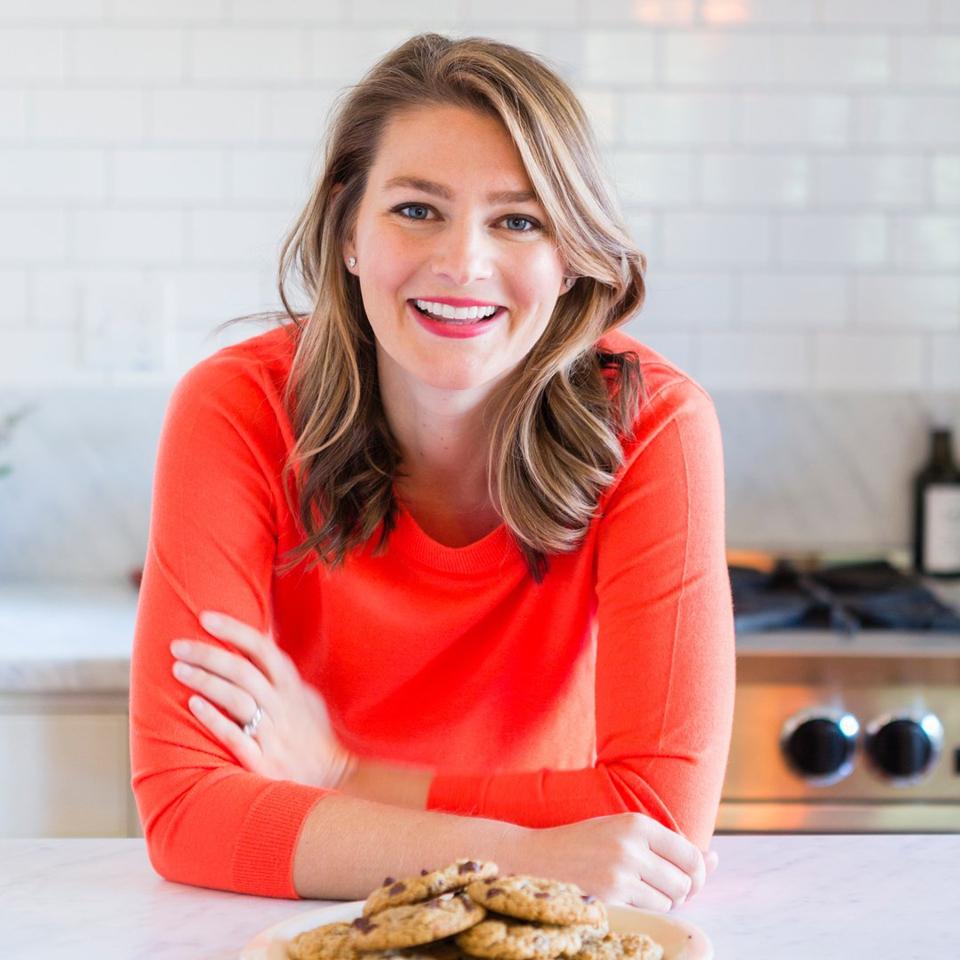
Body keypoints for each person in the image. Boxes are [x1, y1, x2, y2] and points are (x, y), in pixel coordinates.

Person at [129, 33, 735, 912]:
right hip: (316, 925)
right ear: (347, 231)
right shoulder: (236, 409)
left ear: (568, 259)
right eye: (417, 209)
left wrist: (342, 775)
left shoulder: (655, 425)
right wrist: (526, 850)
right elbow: (186, 809)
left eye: (518, 220)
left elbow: (657, 821)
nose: (462, 263)